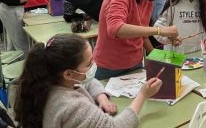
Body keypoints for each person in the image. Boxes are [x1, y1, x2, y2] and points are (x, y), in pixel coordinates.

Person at [14, 34, 162, 128]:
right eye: (89, 63)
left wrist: (101, 97)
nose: (94, 65)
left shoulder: (49, 79)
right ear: (69, 73)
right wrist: (143, 95)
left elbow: (88, 82)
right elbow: (117, 126)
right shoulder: (72, 106)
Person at [93, 0, 178, 79]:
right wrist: (159, 30)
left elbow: (141, 34)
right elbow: (115, 29)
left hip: (135, 64)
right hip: (109, 67)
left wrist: (157, 56)